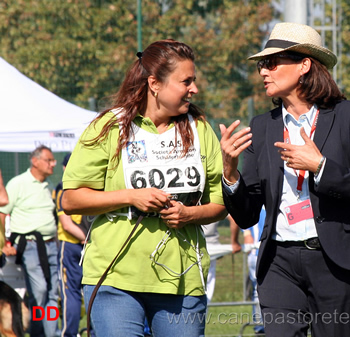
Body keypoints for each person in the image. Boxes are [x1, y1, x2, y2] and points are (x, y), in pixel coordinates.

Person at [220, 22, 350, 337]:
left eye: (271, 63)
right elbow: (245, 215)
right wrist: (229, 172)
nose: (262, 72)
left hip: (338, 264)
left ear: (304, 65)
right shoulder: (261, 126)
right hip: (279, 262)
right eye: (261, 64)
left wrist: (321, 166)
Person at [61, 39, 227, 337]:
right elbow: (71, 200)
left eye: (194, 81)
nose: (195, 89)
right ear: (155, 83)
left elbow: (219, 203)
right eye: (186, 81)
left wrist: (189, 215)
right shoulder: (109, 127)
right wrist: (131, 196)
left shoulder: (201, 129)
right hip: (115, 278)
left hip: (183, 279)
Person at [0, 145, 59, 337]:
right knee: (39, 292)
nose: (54, 164)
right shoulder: (18, 183)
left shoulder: (49, 185)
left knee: (52, 294)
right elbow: (3, 212)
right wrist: (4, 243)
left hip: (51, 245)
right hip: (31, 246)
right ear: (35, 161)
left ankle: (52, 333)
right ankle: (37, 333)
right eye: (49, 160)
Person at [55, 153, 93, 337]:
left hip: (70, 246)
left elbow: (67, 224)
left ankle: (69, 334)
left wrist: (84, 238)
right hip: (91, 245)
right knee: (93, 292)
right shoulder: (91, 187)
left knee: (70, 293)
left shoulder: (63, 190)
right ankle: (93, 332)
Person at [202, 215, 241, 303]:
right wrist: (234, 242)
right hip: (212, 248)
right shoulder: (216, 200)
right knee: (207, 287)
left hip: (191, 245)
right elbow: (234, 219)